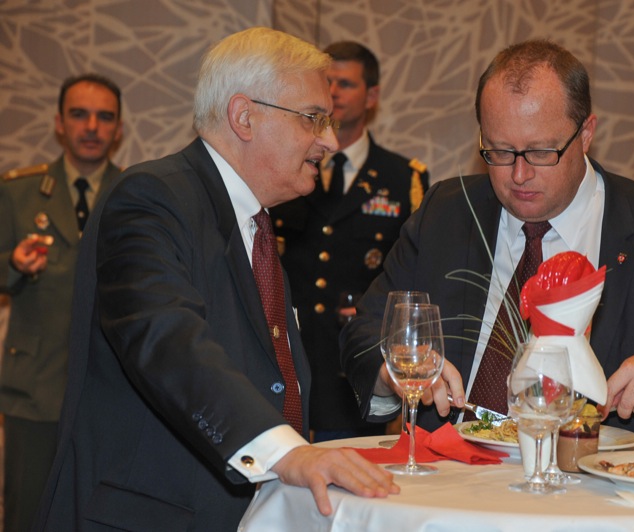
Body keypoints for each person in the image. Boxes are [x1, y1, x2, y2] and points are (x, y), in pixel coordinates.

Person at [34, 27, 397, 531]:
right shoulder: (152, 197)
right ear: (244, 116)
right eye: (314, 118)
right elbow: (167, 340)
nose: (330, 141)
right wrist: (285, 453)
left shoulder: (257, 222)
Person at [340, 39, 634, 452]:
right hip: (454, 477)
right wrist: (395, 367)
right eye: (499, 151)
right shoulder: (446, 212)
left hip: (598, 489)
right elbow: (367, 329)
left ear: (586, 134)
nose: (519, 175)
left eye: (541, 152)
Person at [270, 41, 429, 442]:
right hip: (285, 360)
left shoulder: (402, 179)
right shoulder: (285, 168)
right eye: (327, 82)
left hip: (350, 374)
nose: (334, 92)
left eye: (346, 83)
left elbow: (411, 278)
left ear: (372, 96)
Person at [0, 72, 123, 532]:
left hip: (111, 391)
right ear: (58, 123)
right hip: (35, 389)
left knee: (100, 517)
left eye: (104, 117)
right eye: (79, 114)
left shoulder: (137, 193)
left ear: (119, 129)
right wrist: (13, 264)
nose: (91, 126)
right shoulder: (17, 191)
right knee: (27, 514)